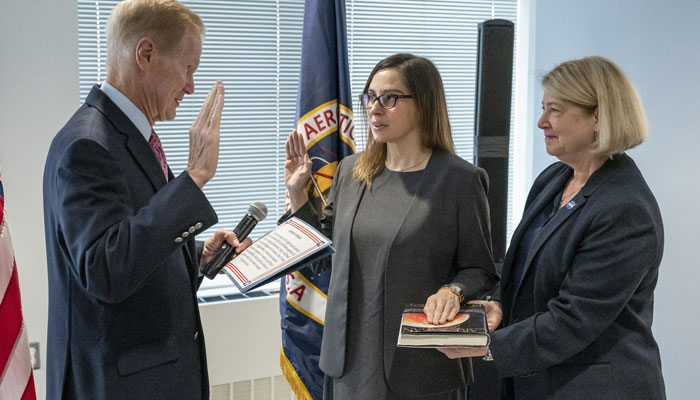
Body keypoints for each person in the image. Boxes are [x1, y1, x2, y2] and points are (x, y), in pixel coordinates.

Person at [42, 1, 251, 398]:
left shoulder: (129, 135)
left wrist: (196, 255)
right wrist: (192, 180)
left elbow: (132, 244)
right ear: (146, 54)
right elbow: (105, 269)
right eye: (188, 68)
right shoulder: (87, 144)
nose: (190, 86)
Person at [440, 56, 666, 400]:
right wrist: (499, 305)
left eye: (555, 110)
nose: (541, 121)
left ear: (598, 117)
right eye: (543, 108)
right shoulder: (554, 179)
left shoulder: (625, 208)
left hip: (596, 387)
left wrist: (485, 346)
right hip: (538, 380)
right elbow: (526, 269)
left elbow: (574, 319)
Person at [283, 53, 499, 399]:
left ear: (424, 104)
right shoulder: (351, 172)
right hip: (348, 364)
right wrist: (297, 193)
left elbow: (480, 268)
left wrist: (452, 292)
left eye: (390, 98)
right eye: (370, 97)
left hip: (418, 367)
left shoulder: (460, 181)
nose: (374, 108)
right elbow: (324, 255)